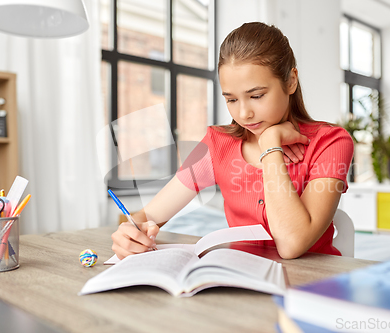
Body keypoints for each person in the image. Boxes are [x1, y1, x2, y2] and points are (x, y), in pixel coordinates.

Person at [111, 22, 354, 260]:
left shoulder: (330, 143)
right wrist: (130, 234)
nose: (243, 114)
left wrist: (270, 146)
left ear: (290, 81)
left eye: (256, 96)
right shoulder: (217, 144)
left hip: (310, 287)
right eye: (231, 100)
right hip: (240, 285)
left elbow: (292, 244)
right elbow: (148, 215)